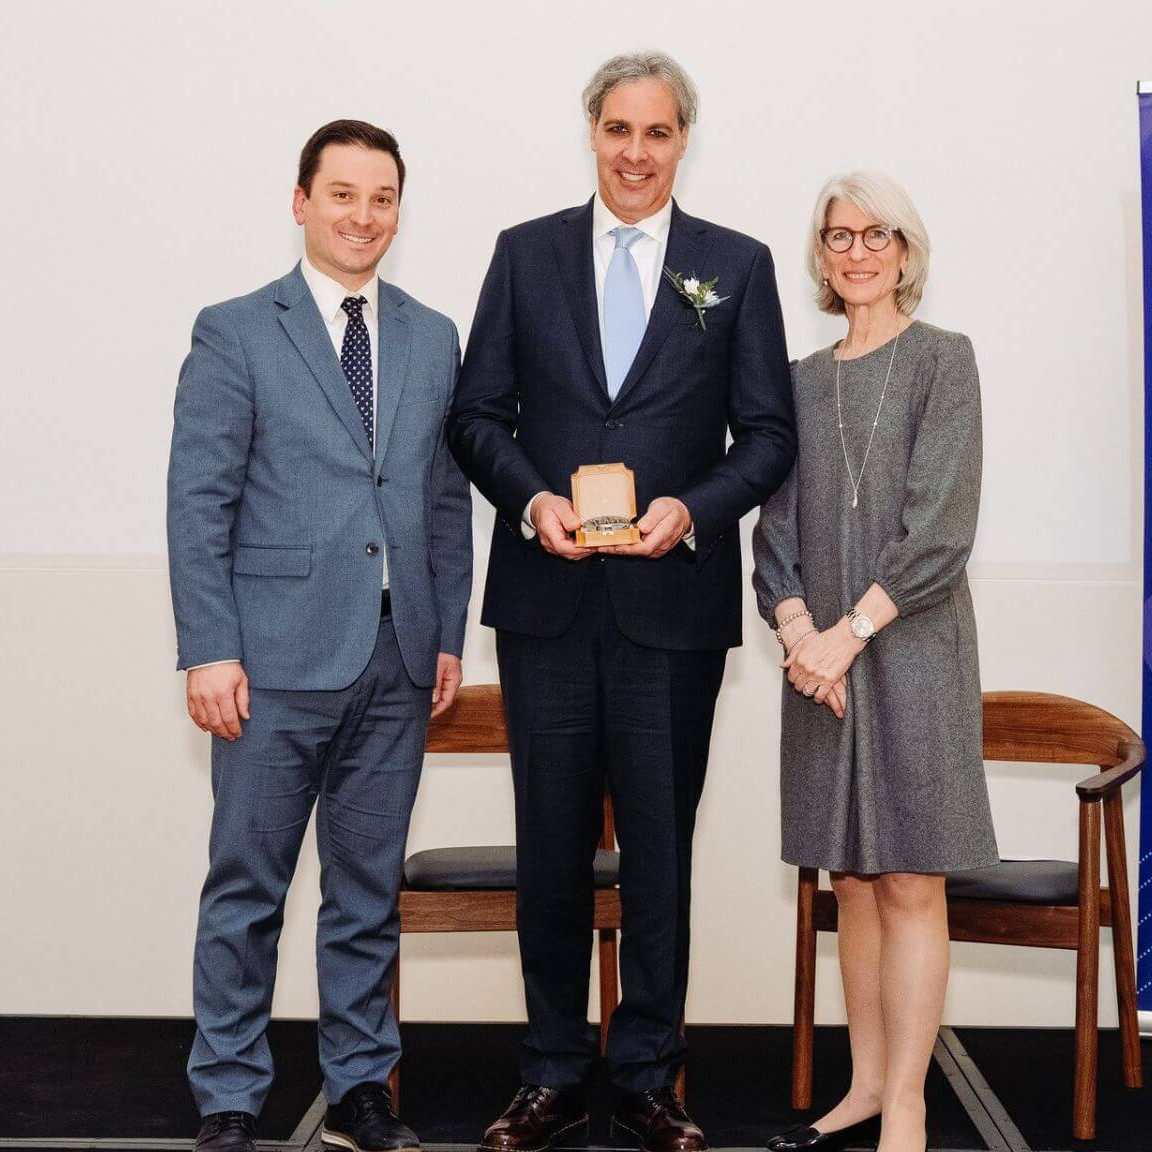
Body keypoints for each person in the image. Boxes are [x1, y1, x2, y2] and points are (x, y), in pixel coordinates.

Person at [449, 52, 795, 1152]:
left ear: (683, 139)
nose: (635, 153)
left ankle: (649, 1074)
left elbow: (771, 436)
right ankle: (551, 1071)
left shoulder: (734, 265)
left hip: (670, 611)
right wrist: (531, 499)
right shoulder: (525, 254)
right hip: (547, 603)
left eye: (656, 132)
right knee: (548, 850)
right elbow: (473, 416)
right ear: (590, 133)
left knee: (659, 851)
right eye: (617, 130)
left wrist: (691, 511)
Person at [167, 119, 471, 1152]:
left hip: (395, 661)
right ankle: (229, 1096)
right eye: (342, 194)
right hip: (269, 663)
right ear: (300, 202)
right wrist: (208, 647)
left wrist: (446, 636)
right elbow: (197, 503)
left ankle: (357, 1090)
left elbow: (441, 501)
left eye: (381, 197)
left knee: (365, 893)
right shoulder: (237, 329)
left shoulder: (433, 336)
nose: (362, 215)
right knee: (246, 889)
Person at [753, 172, 998, 1152]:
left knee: (908, 880)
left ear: (906, 250)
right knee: (849, 876)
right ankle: (861, 1085)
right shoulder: (800, 381)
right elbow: (771, 528)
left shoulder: (947, 361)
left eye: (876, 234)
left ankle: (908, 1099)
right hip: (818, 661)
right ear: (819, 254)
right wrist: (799, 632)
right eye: (837, 235)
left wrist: (846, 635)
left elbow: (941, 528)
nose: (856, 250)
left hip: (913, 650)